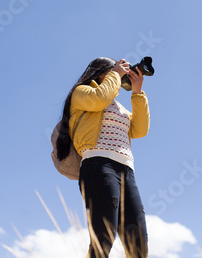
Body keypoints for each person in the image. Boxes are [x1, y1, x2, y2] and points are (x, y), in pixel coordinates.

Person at [56, 57, 150, 258]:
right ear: (100, 72)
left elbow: (140, 130)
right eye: (114, 70)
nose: (121, 74)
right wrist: (117, 73)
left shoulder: (119, 108)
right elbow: (100, 98)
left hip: (127, 170)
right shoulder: (82, 93)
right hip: (98, 164)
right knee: (104, 235)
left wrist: (137, 92)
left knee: (138, 240)